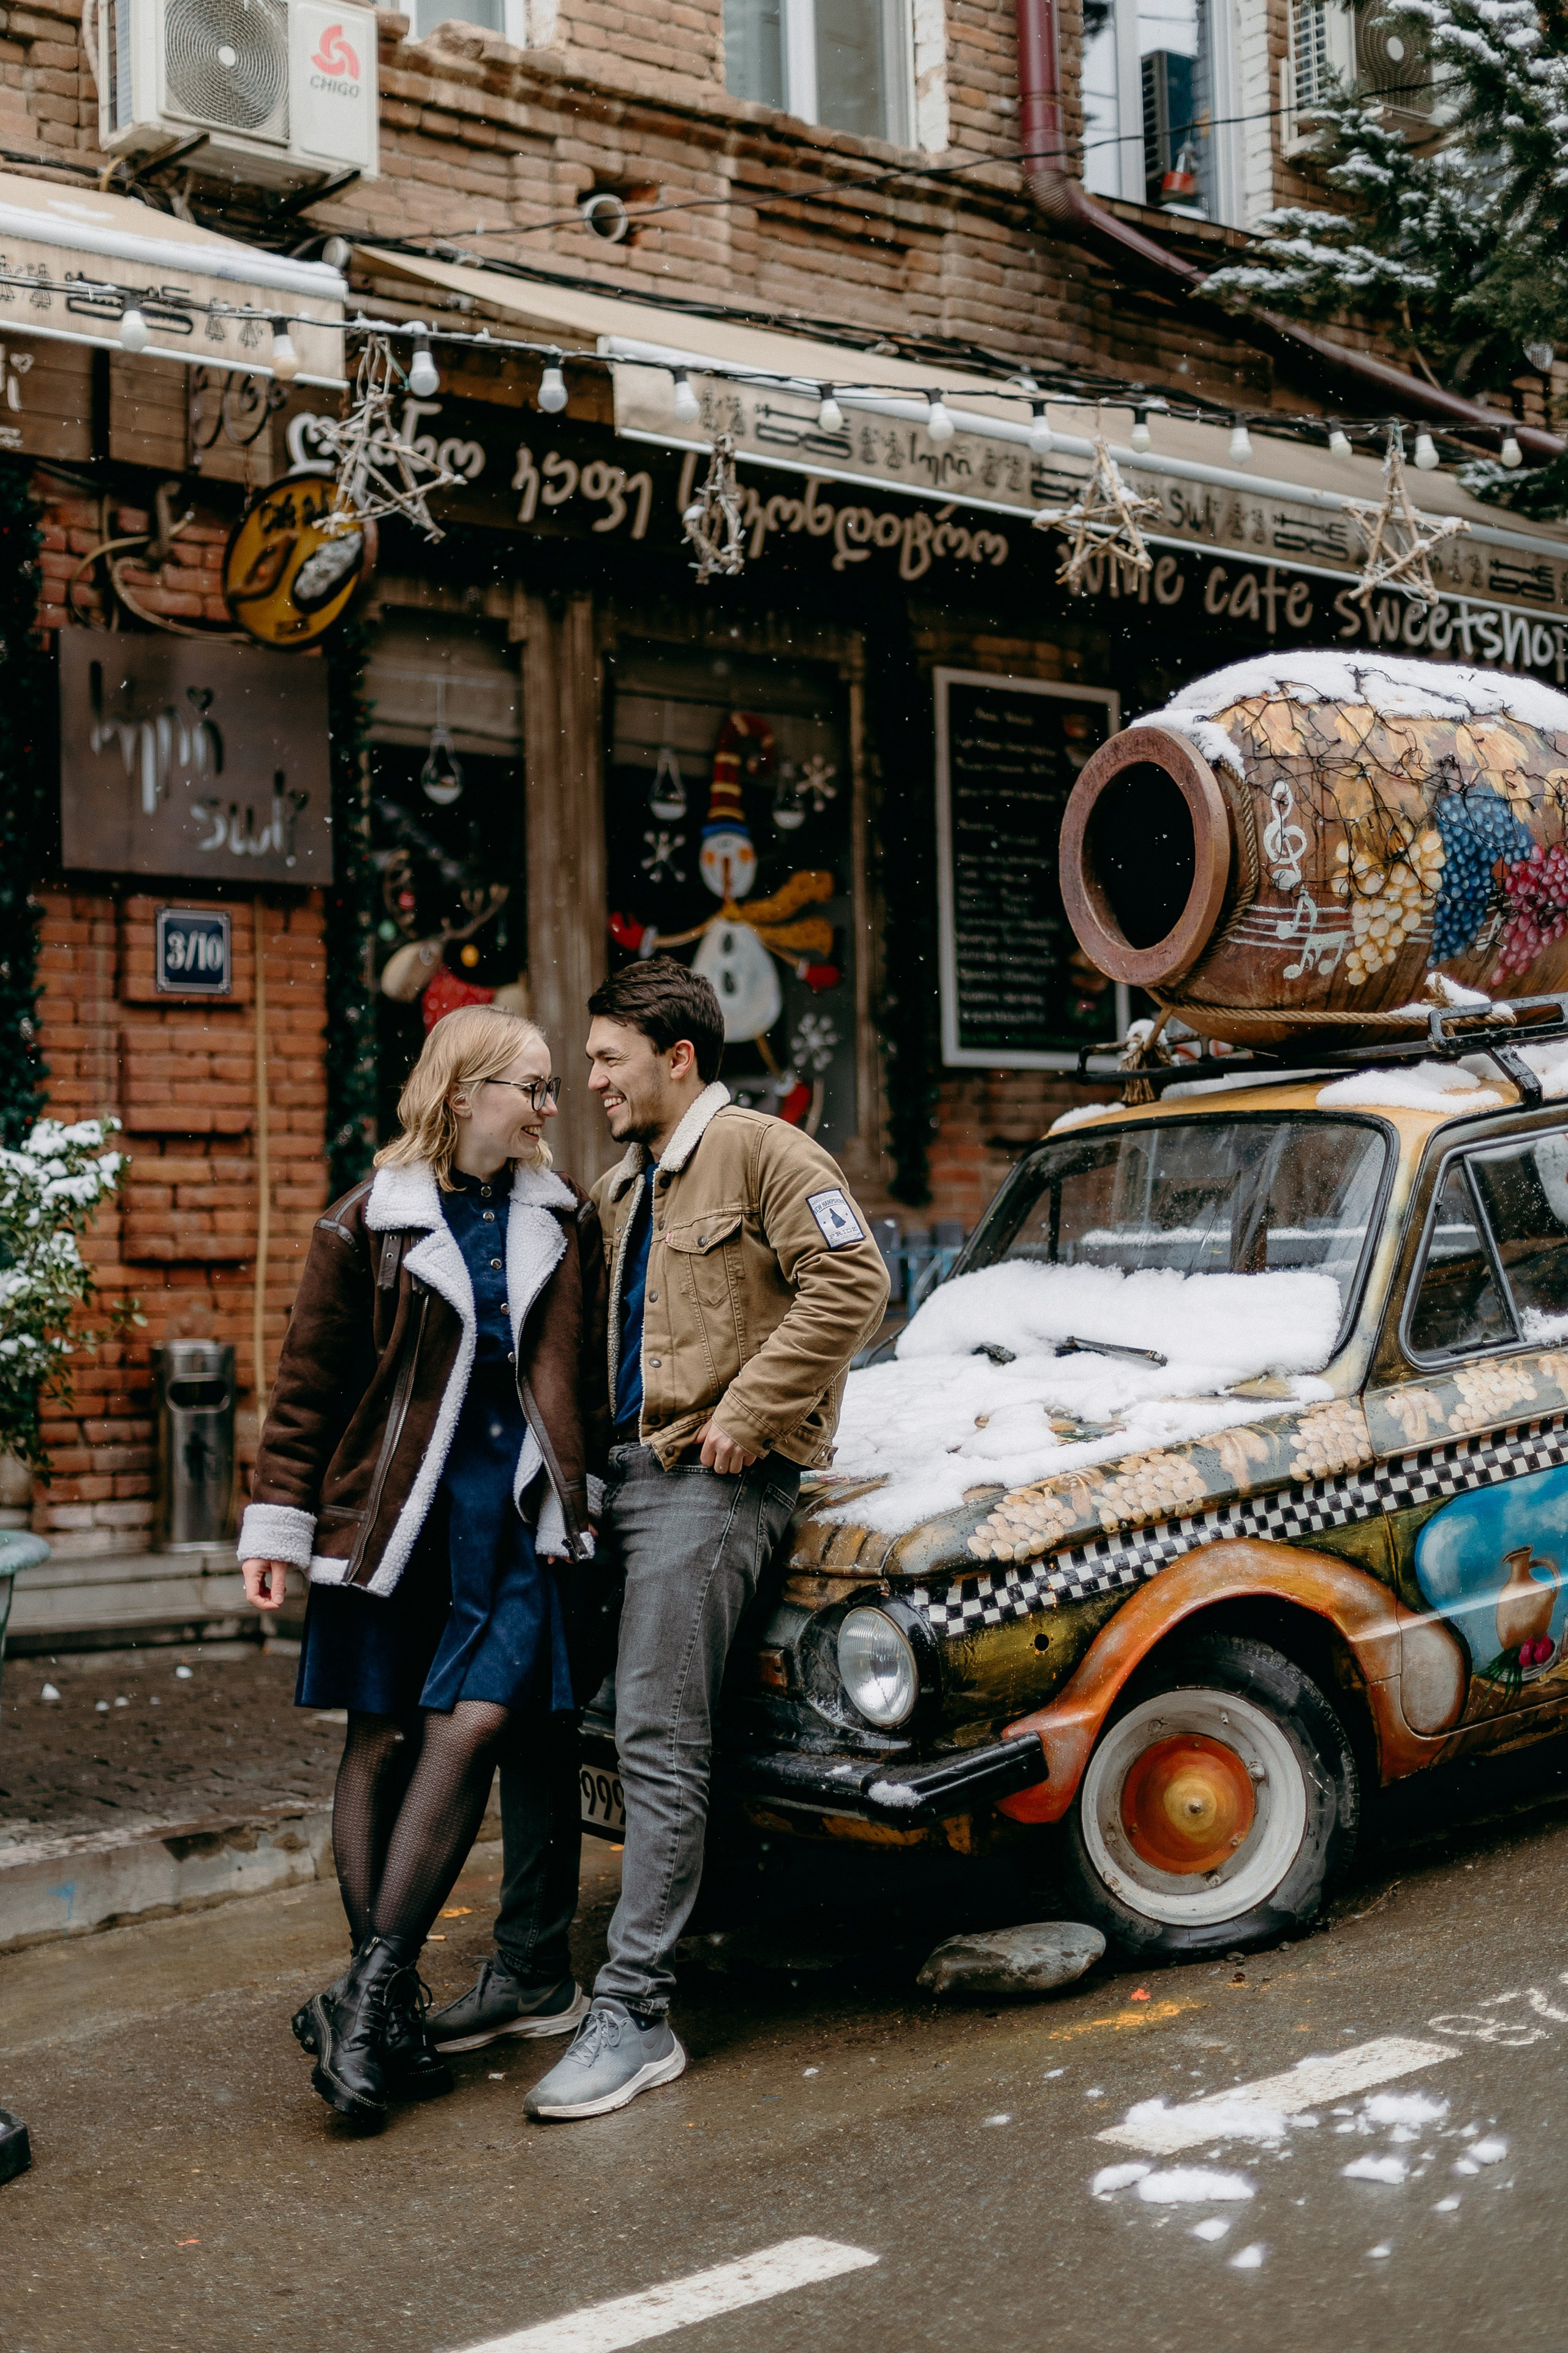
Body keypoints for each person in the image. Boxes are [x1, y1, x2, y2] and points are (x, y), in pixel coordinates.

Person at [438, 957, 888, 2121]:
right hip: (616, 1487)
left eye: (606, 1058)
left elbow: (852, 1278)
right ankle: (535, 1965)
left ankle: (636, 2011)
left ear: (677, 1056)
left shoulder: (770, 1153)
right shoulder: (625, 1187)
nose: (586, 1080)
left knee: (655, 1728)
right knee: (535, 1705)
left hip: (712, 1485)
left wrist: (751, 1412)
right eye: (583, 1062)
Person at [238, 1004, 608, 2129]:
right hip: (390, 1516)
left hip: (509, 1520)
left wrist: (593, 1501)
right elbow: (308, 1388)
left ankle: (363, 2000)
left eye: (553, 1088)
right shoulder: (368, 1220)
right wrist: (276, 1527)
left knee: (479, 1720)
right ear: (463, 1094)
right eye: (532, 1087)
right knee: (385, 1733)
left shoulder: (563, 1218)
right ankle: (380, 2011)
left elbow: (581, 1379)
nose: (551, 1108)